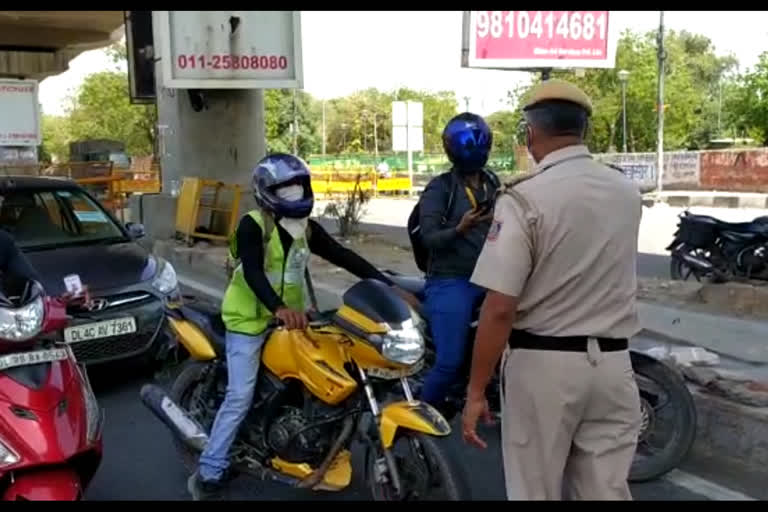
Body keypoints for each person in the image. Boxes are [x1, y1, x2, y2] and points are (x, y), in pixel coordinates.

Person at [188, 153, 420, 500]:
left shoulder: (305, 228)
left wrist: (386, 283)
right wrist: (278, 308)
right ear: (268, 193)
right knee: (239, 396)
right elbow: (252, 272)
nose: (296, 195)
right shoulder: (254, 224)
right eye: (287, 190)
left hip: (294, 318)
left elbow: (342, 255)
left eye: (299, 187)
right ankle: (210, 467)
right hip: (249, 321)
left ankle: (320, 449)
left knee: (329, 377)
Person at [461, 79, 643, 500]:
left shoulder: (524, 198)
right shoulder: (625, 192)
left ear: (530, 132)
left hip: (544, 367)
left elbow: (500, 308)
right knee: (605, 492)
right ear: (584, 130)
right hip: (615, 367)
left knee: (534, 490)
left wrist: (475, 393)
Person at [417, 113, 500, 416]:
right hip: (451, 280)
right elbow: (429, 238)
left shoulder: (492, 182)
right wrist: (459, 229)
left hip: (492, 277)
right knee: (449, 361)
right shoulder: (441, 188)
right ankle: (419, 422)